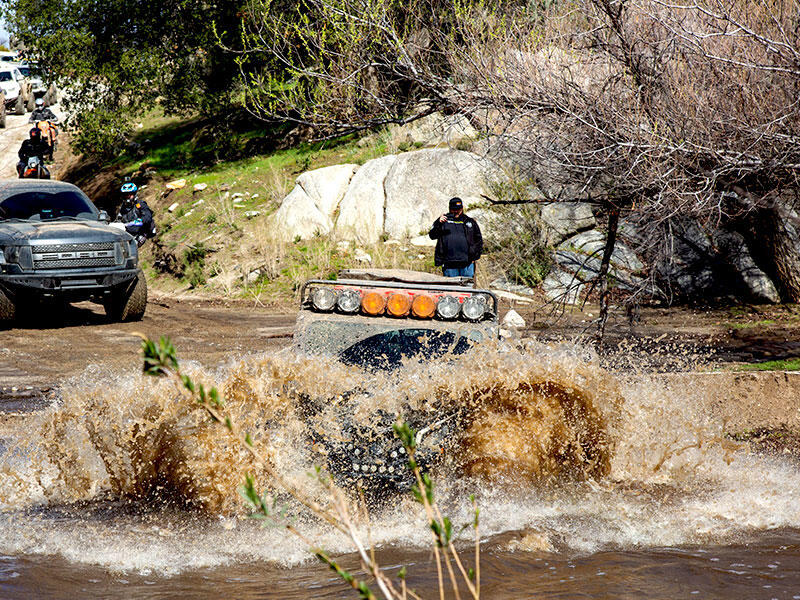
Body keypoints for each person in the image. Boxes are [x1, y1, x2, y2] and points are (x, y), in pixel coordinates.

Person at [428, 197, 483, 278]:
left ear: (462, 208)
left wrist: (475, 256)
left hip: (467, 264)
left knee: (467, 289)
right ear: (450, 209)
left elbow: (478, 240)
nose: (456, 212)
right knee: (452, 289)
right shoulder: (443, 221)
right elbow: (432, 236)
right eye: (454, 209)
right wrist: (438, 223)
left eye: (459, 209)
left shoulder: (469, 222)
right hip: (449, 264)